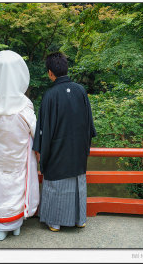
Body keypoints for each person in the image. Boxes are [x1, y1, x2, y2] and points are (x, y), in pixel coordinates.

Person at [0, 50, 39, 241]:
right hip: (19, 155)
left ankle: (0, 227)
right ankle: (17, 225)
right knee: (19, 183)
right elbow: (34, 131)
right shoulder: (25, 104)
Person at [32, 52, 96, 232]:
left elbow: (43, 128)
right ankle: (79, 219)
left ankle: (55, 222)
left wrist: (39, 149)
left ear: (50, 73)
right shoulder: (81, 91)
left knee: (56, 184)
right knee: (77, 183)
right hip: (77, 150)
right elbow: (89, 125)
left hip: (57, 150)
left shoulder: (50, 95)